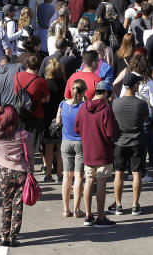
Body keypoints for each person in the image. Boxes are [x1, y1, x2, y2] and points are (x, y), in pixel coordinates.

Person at [0, 105, 32, 248]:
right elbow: (30, 157)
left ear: (1, 117)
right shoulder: (25, 135)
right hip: (21, 171)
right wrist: (31, 173)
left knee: (6, 203)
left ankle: (4, 236)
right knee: (18, 204)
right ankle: (13, 236)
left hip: (4, 172)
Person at [75, 79, 120, 227]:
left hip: (87, 152)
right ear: (106, 93)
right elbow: (111, 132)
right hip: (103, 152)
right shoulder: (106, 109)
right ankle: (101, 217)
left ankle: (88, 216)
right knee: (101, 183)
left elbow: (77, 129)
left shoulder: (82, 108)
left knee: (88, 182)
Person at [110, 72, 150, 216]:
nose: (139, 85)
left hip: (120, 142)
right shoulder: (141, 103)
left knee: (118, 173)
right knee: (136, 173)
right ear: (134, 86)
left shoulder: (115, 103)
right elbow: (146, 119)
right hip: (137, 142)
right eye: (138, 84)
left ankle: (119, 205)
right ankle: (135, 205)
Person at [58, 78, 87, 218]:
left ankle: (65, 209)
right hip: (80, 142)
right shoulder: (84, 107)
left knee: (66, 176)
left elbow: (58, 121)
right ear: (84, 92)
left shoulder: (63, 104)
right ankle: (76, 209)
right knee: (79, 177)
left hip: (66, 141)